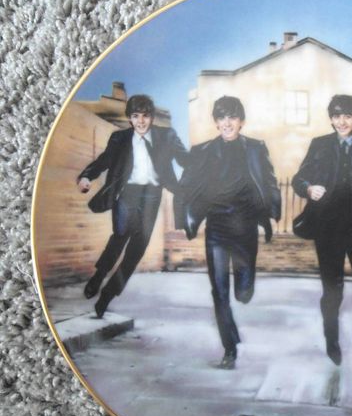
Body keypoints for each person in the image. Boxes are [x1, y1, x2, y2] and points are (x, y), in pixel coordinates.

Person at [174, 96, 281, 370]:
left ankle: (245, 289)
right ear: (216, 122)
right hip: (217, 230)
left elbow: (269, 182)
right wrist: (185, 220)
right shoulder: (203, 151)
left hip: (245, 228)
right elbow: (185, 185)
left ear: (241, 121)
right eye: (221, 118)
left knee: (243, 292)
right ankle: (229, 349)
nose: (227, 123)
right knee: (219, 291)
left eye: (232, 117)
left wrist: (273, 212)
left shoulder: (255, 148)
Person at [292, 95, 352, 378]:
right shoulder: (319, 145)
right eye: (336, 116)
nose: (342, 121)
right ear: (331, 118)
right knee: (332, 292)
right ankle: (332, 341)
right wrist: (309, 189)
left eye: (347, 116)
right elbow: (298, 179)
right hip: (329, 231)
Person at [77, 94, 188, 318]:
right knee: (120, 236)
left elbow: (185, 159)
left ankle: (108, 294)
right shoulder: (120, 138)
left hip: (152, 196)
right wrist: (87, 176)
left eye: (145, 116)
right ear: (130, 118)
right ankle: (99, 275)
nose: (141, 121)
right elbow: (104, 160)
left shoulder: (166, 135)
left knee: (137, 249)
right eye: (136, 116)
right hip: (127, 193)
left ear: (151, 117)